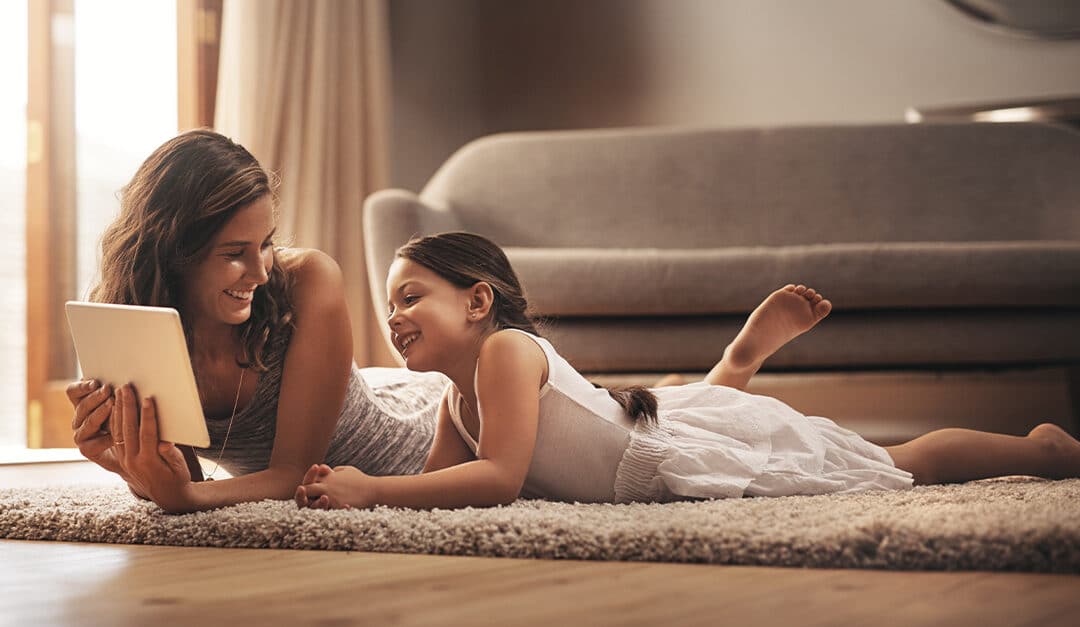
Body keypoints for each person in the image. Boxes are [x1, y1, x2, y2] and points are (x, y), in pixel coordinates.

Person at [64, 129, 768, 513]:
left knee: (645, 436)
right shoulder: (136, 324)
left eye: (266, 243)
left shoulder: (307, 280)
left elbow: (287, 473)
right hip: (374, 437)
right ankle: (684, 383)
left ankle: (715, 378)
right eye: (233, 254)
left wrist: (187, 496)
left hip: (404, 456)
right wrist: (129, 461)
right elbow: (179, 477)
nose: (261, 269)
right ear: (176, 249)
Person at [295, 232, 1080, 510]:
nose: (392, 314)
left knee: (882, 465)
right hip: (641, 429)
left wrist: (369, 484)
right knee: (686, 414)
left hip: (651, 456)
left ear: (477, 301)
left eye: (409, 296)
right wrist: (357, 494)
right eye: (387, 302)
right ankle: (734, 364)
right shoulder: (453, 396)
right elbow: (440, 488)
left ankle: (1040, 448)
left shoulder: (506, 350)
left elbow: (499, 479)